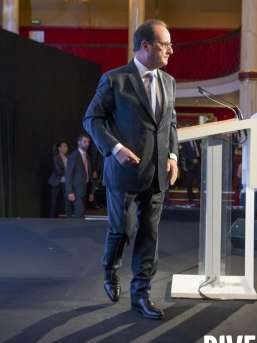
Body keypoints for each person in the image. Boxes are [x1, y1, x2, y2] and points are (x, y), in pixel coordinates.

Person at [83, 19, 178, 320]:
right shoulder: (115, 80)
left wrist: (173, 156)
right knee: (123, 231)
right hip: (124, 173)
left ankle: (141, 295)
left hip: (158, 174)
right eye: (165, 44)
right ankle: (110, 270)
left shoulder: (169, 82)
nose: (170, 51)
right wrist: (115, 148)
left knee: (149, 234)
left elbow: (170, 124)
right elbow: (92, 120)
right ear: (146, 46)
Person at [65, 134, 95, 219]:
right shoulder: (74, 156)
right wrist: (70, 191)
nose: (87, 144)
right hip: (76, 189)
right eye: (85, 142)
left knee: (82, 212)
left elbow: (88, 174)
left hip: (84, 189)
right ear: (79, 142)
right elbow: (68, 174)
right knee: (79, 211)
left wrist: (91, 191)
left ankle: (80, 230)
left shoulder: (87, 157)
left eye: (88, 142)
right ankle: (76, 230)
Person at [48, 141, 72, 218]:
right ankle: (52, 218)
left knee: (67, 202)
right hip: (56, 182)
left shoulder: (69, 157)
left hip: (66, 183)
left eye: (67, 147)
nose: (66, 148)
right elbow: (59, 171)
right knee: (54, 202)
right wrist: (69, 172)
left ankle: (69, 218)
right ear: (59, 148)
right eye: (64, 146)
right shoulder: (56, 158)